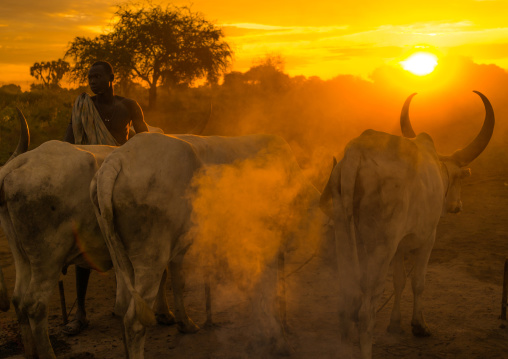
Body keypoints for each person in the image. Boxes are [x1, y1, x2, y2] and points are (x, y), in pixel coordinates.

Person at [62, 61, 149, 335]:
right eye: (89, 77)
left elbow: (145, 142)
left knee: (133, 241)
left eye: (98, 76)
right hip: (88, 180)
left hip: (121, 178)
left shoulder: (129, 106)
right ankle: (81, 313)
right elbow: (68, 145)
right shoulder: (82, 107)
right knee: (84, 246)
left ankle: (133, 304)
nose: (92, 81)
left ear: (112, 77)